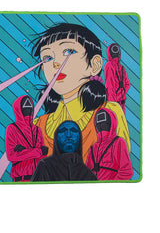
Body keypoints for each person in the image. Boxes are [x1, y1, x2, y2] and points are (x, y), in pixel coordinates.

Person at [31, 23, 130, 163]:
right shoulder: (37, 125)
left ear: (95, 65)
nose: (56, 64)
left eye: (69, 52)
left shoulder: (108, 113)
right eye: (47, 58)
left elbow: (121, 165)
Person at [31, 121, 97, 182]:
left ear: (79, 137)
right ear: (56, 138)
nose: (68, 135)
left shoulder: (88, 175)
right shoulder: (45, 166)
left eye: (73, 130)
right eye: (63, 130)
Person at [5, 95, 48, 182]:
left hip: (39, 178)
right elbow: (12, 155)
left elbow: (43, 155)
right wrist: (38, 151)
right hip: (21, 179)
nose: (28, 111)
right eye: (25, 108)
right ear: (19, 109)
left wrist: (25, 151)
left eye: (30, 108)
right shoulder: (12, 128)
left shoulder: (37, 130)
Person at [86, 108, 133, 180]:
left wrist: (112, 184)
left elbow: (126, 171)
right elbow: (87, 172)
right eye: (98, 123)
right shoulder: (93, 147)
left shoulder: (118, 142)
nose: (101, 126)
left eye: (104, 123)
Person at [104, 43, 130, 112]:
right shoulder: (122, 68)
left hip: (114, 103)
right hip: (122, 102)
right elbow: (127, 84)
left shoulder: (109, 66)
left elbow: (110, 86)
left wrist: (112, 104)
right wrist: (122, 94)